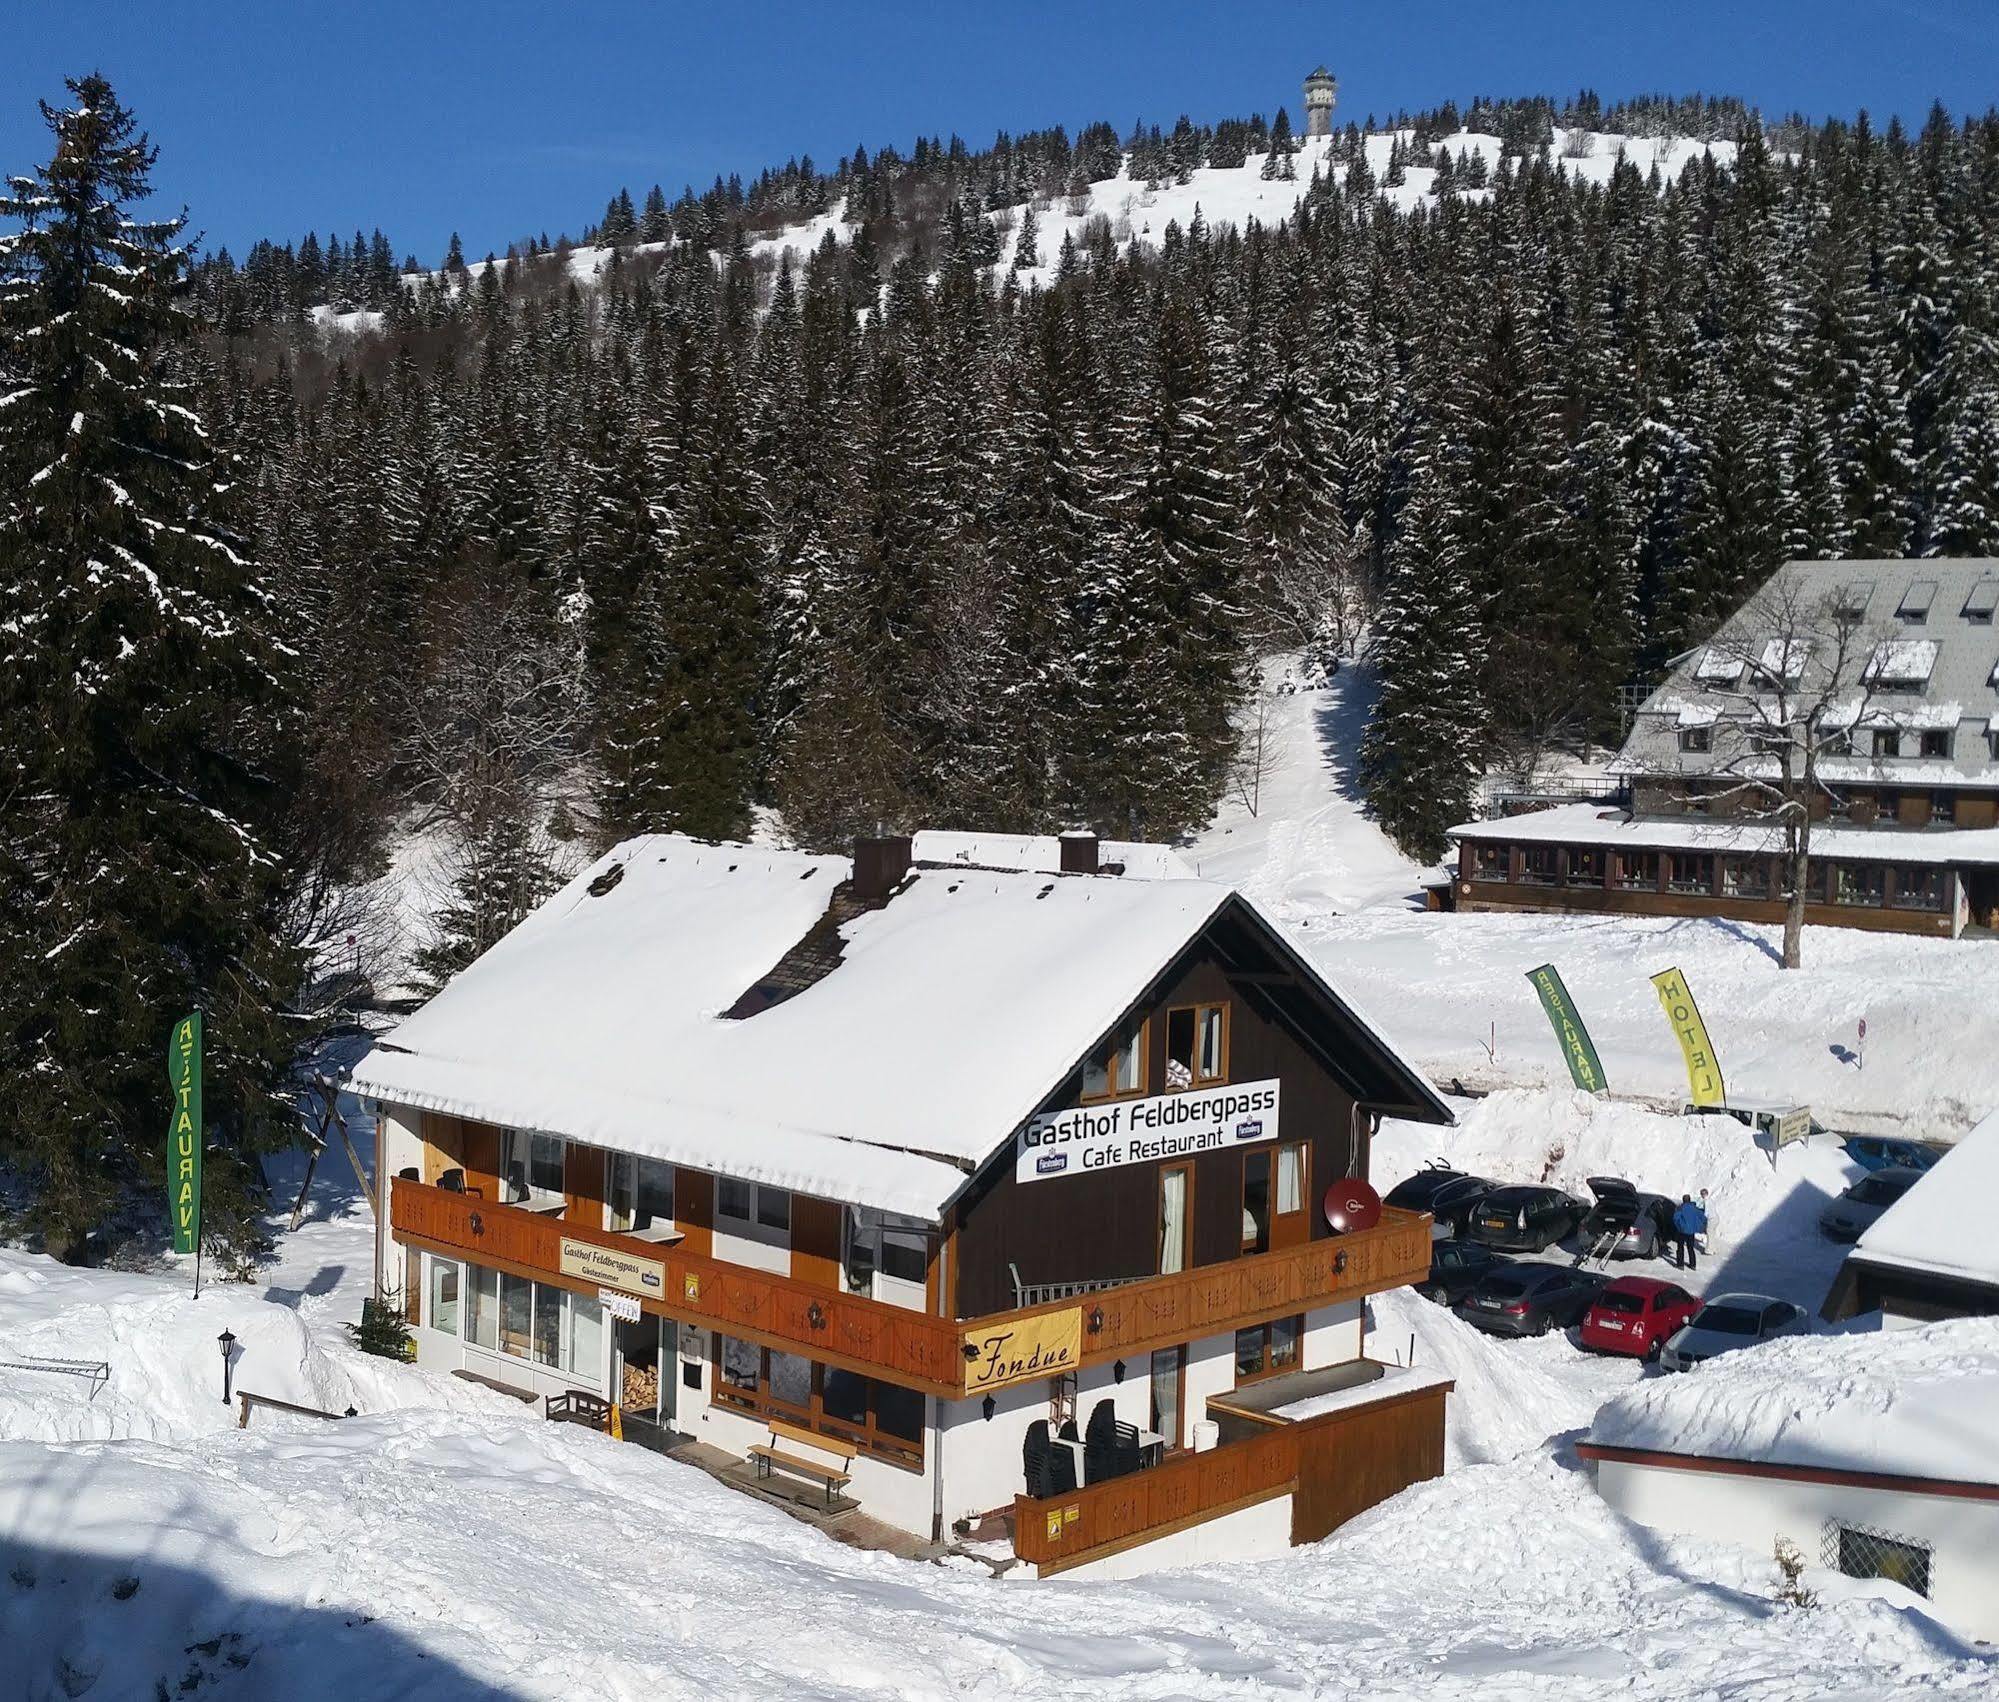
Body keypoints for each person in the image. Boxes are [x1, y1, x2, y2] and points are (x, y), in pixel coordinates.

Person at [1671, 1194, 1709, 1271]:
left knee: (1680, 1247)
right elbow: (1704, 1218)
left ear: (1683, 1200)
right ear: (1689, 1200)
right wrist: (1698, 1225)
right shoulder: (1694, 1208)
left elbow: (1675, 1218)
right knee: (1690, 1248)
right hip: (1691, 1232)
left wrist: (1679, 1226)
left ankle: (1680, 1264)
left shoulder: (1681, 1208)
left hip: (1682, 1231)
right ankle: (1693, 1265)